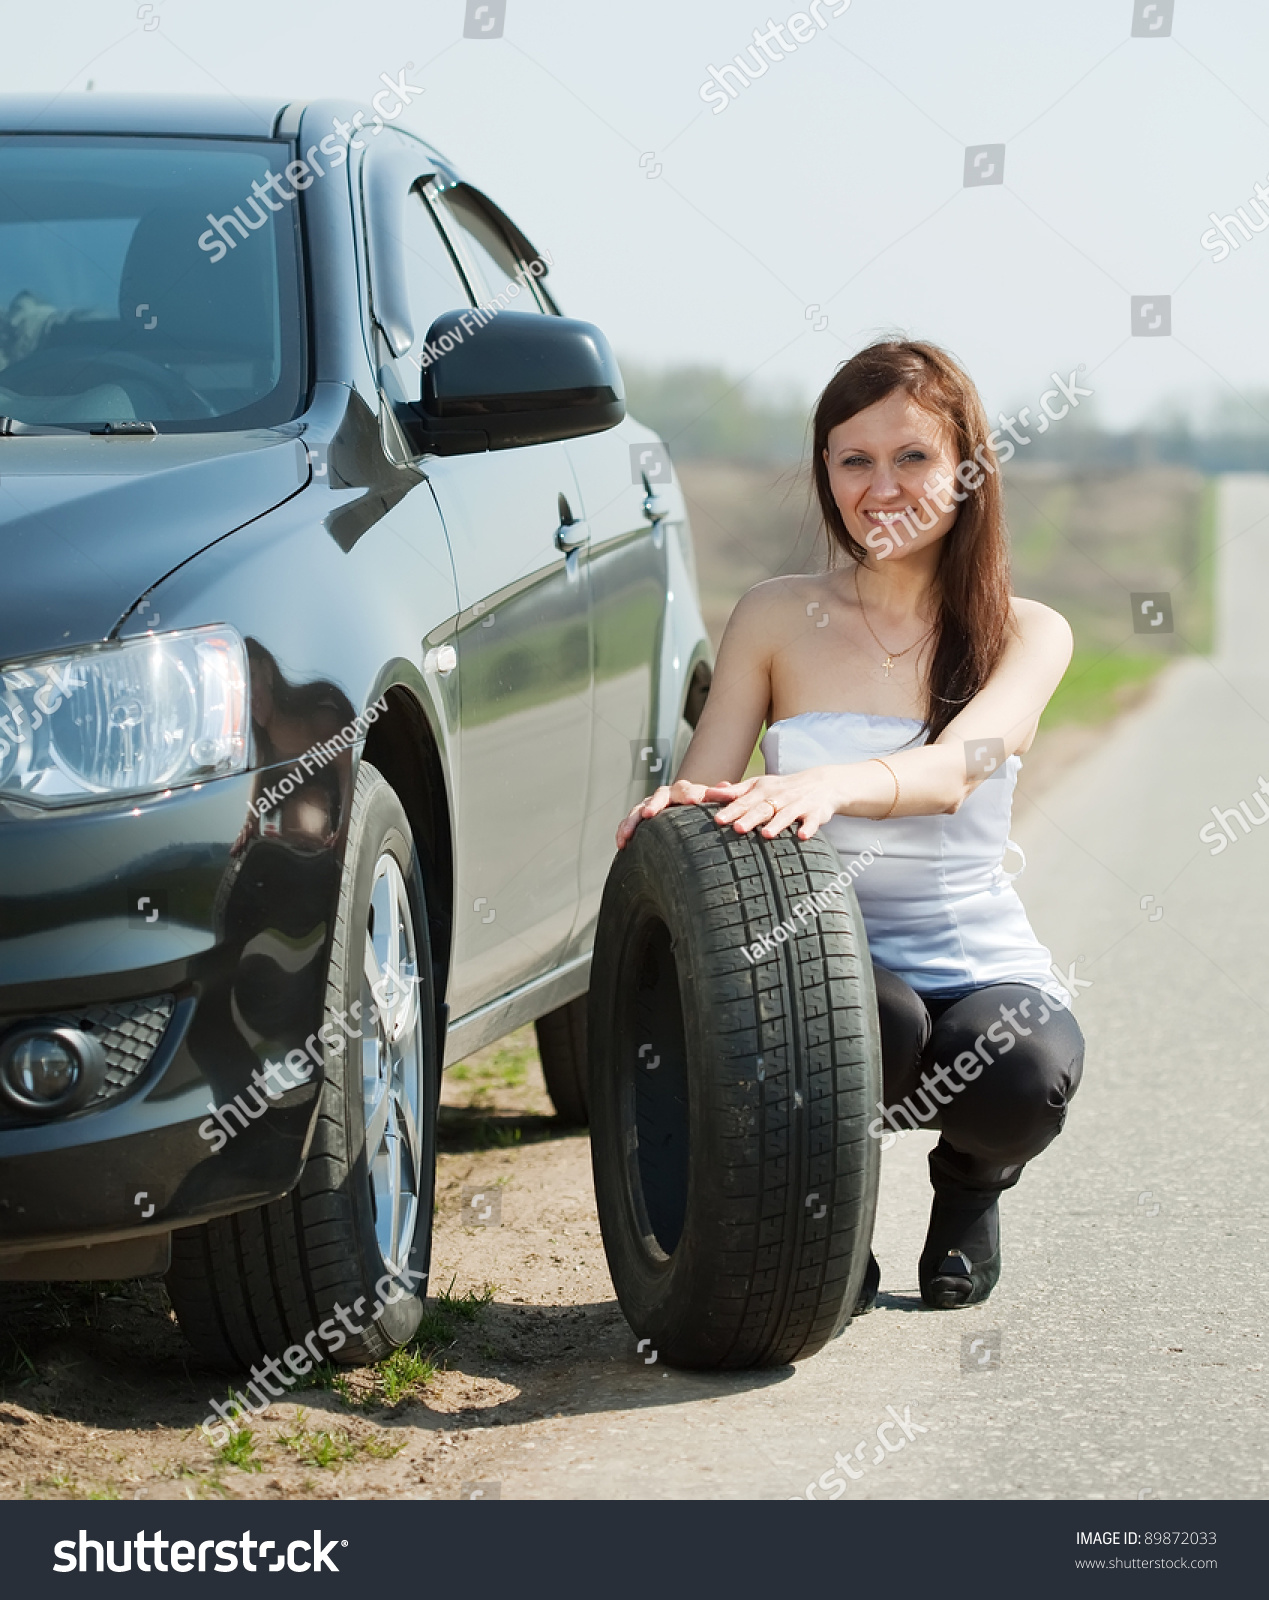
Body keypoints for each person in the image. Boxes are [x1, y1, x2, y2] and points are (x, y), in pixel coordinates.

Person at [616, 339, 1085, 1312]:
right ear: (825, 471)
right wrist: (679, 809)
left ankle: (971, 1188)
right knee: (881, 1021)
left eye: (912, 457)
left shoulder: (1027, 629)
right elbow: (707, 784)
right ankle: (832, 1215)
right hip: (816, 950)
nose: (882, 486)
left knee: (1024, 1076)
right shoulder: (775, 614)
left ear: (967, 467)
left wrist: (830, 783)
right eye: (852, 459)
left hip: (975, 957)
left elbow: (965, 766)